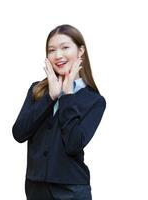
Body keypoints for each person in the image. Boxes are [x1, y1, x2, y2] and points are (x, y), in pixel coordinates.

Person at [12, 24, 107, 200]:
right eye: (51, 50)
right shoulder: (37, 90)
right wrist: (50, 97)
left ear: (80, 51)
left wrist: (67, 96)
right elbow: (19, 133)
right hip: (35, 188)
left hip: (71, 189)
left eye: (65, 47)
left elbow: (73, 144)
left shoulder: (94, 101)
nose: (58, 55)